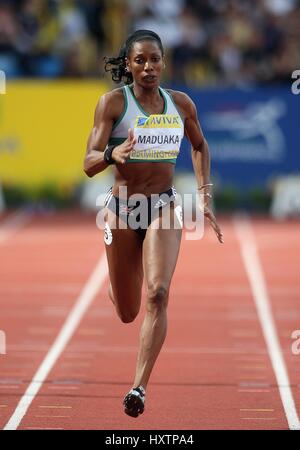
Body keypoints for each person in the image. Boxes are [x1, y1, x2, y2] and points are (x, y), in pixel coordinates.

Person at [83, 30, 223, 418]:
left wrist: (204, 195)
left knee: (158, 294)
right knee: (127, 312)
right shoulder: (112, 103)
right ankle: (118, 283)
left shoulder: (180, 104)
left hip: (162, 207)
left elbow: (199, 145)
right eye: (140, 60)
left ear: (164, 62)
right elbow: (88, 162)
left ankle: (138, 388)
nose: (149, 67)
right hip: (123, 210)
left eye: (155, 60)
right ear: (128, 65)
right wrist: (113, 152)